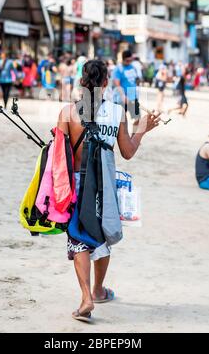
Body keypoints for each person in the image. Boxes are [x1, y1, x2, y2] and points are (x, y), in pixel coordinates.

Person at [57, 59, 160, 322]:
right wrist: (141, 130)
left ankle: (85, 297)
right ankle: (99, 290)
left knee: (78, 236)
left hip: (77, 185)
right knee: (101, 235)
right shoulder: (116, 112)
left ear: (82, 81)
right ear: (105, 83)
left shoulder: (68, 113)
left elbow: (59, 156)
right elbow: (127, 152)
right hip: (104, 186)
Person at [112, 50, 140, 124]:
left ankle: (134, 135)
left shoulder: (132, 67)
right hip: (121, 98)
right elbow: (117, 84)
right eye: (127, 60)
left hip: (133, 96)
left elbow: (135, 80)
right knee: (121, 121)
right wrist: (123, 96)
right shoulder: (118, 69)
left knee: (137, 119)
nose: (129, 62)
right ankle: (122, 135)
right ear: (123, 59)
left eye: (131, 60)